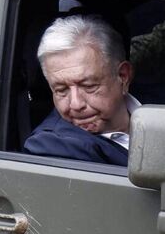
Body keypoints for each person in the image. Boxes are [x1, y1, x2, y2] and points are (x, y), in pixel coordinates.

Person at [23, 16, 140, 166]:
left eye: (89, 86)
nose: (76, 104)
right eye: (61, 90)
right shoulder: (54, 147)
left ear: (123, 77)